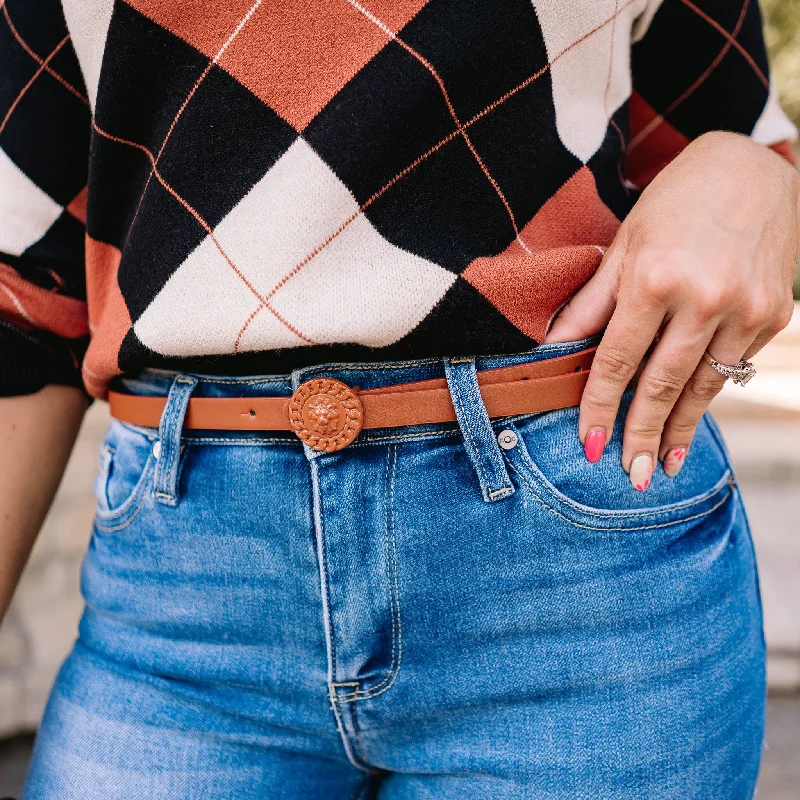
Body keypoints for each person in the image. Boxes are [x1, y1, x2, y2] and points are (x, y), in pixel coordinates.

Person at [1, 0, 798, 797]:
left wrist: (758, 174)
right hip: (179, 608)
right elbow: (22, 297)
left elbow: (724, 132)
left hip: (577, 577)